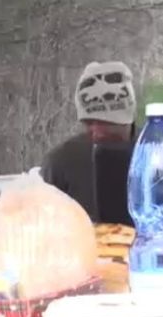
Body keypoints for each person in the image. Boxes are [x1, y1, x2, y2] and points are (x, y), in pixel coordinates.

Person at [41, 61, 136, 225]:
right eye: (89, 123)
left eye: (106, 122)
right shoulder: (62, 161)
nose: (97, 132)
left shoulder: (155, 152)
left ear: (127, 120)